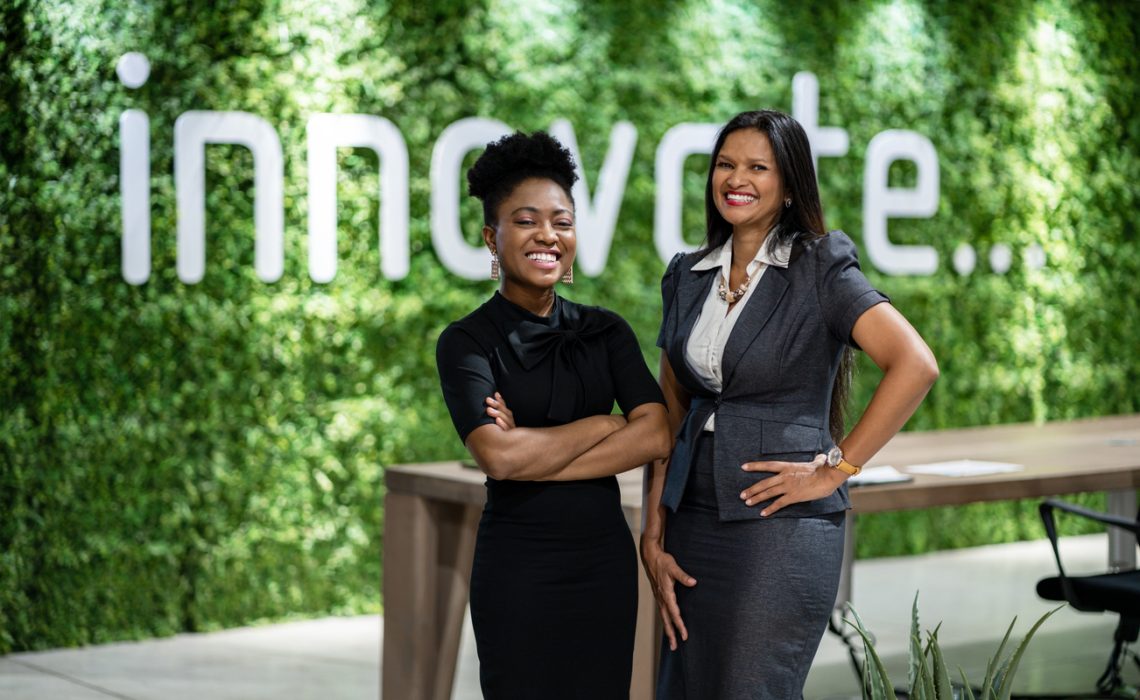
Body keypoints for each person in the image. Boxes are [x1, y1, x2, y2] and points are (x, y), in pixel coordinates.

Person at [641, 110, 940, 699]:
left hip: (779, 527)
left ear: (789, 184)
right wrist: (653, 529)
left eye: (759, 167)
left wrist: (836, 468)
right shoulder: (686, 275)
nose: (737, 178)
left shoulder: (820, 265)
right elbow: (670, 411)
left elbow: (916, 364)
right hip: (691, 517)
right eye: (726, 164)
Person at [436, 131, 672, 699]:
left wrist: (532, 452)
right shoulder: (466, 342)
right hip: (517, 569)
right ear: (492, 239)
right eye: (526, 221)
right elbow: (497, 454)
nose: (548, 235)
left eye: (562, 221)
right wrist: (606, 426)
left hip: (603, 566)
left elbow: (660, 432)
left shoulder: (605, 330)